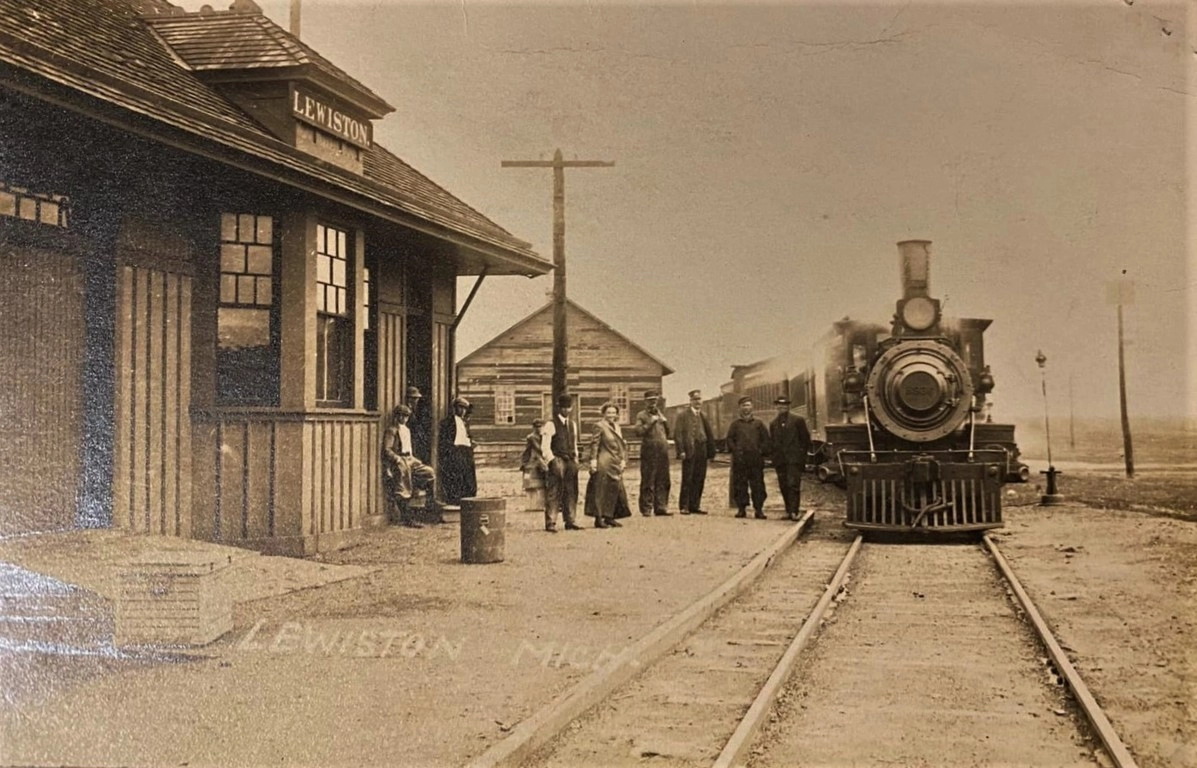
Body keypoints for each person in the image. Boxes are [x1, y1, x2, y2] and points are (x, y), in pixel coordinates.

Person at [381, 404, 437, 528]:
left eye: (406, 416)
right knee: (403, 487)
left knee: (429, 473)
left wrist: (414, 459)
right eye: (401, 416)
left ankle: (429, 507)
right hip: (400, 459)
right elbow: (387, 449)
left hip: (410, 459)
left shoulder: (407, 429)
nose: (404, 418)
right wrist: (397, 459)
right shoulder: (392, 430)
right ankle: (408, 518)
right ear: (397, 416)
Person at [585, 403, 634, 528]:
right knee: (601, 490)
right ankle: (598, 518)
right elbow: (594, 444)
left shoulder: (617, 427)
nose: (611, 415)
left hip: (615, 461)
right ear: (604, 413)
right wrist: (593, 461)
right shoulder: (599, 426)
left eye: (613, 413)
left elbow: (621, 445)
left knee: (614, 489)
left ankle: (609, 517)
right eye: (609, 413)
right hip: (604, 461)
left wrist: (623, 459)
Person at [725, 396, 770, 519]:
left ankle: (759, 509)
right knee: (740, 485)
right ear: (740, 408)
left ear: (752, 407)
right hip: (740, 460)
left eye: (748, 405)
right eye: (744, 405)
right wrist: (735, 450)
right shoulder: (735, 425)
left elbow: (766, 440)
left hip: (755, 460)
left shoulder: (759, 424)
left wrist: (760, 451)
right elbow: (729, 439)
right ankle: (741, 509)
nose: (746, 408)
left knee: (758, 485)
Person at [769, 396, 812, 521]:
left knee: (793, 485)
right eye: (779, 405)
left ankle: (794, 511)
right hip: (780, 460)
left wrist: (801, 457)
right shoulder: (773, 424)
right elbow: (773, 442)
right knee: (783, 485)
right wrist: (774, 458)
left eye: (784, 405)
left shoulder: (798, 420)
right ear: (776, 407)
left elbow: (805, 440)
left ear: (788, 407)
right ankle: (788, 510)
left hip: (794, 460)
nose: (782, 407)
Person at [674, 389, 716, 515]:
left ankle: (695, 505)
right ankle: (684, 506)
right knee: (688, 478)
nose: (698, 402)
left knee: (699, 478)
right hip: (689, 450)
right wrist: (681, 450)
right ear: (690, 401)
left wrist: (711, 452)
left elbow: (709, 434)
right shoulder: (683, 416)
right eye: (695, 399)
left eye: (699, 399)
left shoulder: (703, 415)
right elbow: (678, 435)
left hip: (701, 449)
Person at [545, 394, 583, 532]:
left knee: (571, 491)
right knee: (554, 491)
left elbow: (574, 444)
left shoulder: (572, 424)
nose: (566, 410)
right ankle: (551, 522)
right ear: (559, 408)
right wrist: (552, 460)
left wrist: (576, 459)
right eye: (563, 407)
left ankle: (570, 520)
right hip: (558, 459)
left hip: (571, 460)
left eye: (568, 407)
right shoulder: (551, 424)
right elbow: (545, 445)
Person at [633, 390, 672, 516]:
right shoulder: (641, 415)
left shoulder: (661, 414)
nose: (652, 403)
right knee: (648, 479)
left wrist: (664, 421)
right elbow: (638, 431)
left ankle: (661, 507)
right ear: (645, 402)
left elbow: (668, 432)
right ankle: (646, 508)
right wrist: (651, 422)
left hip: (662, 451)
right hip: (649, 451)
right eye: (650, 401)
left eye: (654, 401)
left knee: (663, 479)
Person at [438, 396, 478, 505]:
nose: (463, 411)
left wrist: (471, 443)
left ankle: (467, 499)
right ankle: (455, 500)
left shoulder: (464, 423)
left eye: (465, 409)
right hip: (454, 452)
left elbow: (467, 436)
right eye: (460, 408)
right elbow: (445, 440)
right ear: (455, 408)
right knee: (456, 477)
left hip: (465, 452)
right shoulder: (448, 422)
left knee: (468, 476)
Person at [520, 418, 550, 498]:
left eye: (541, 426)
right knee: (546, 471)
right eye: (537, 427)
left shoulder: (546, 435)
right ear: (534, 427)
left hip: (545, 458)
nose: (539, 428)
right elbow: (538, 450)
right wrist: (524, 463)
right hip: (537, 459)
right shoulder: (532, 437)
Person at [405, 385, 431, 462]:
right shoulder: (407, 409)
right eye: (413, 398)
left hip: (420, 436)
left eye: (416, 398)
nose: (415, 401)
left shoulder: (421, 409)